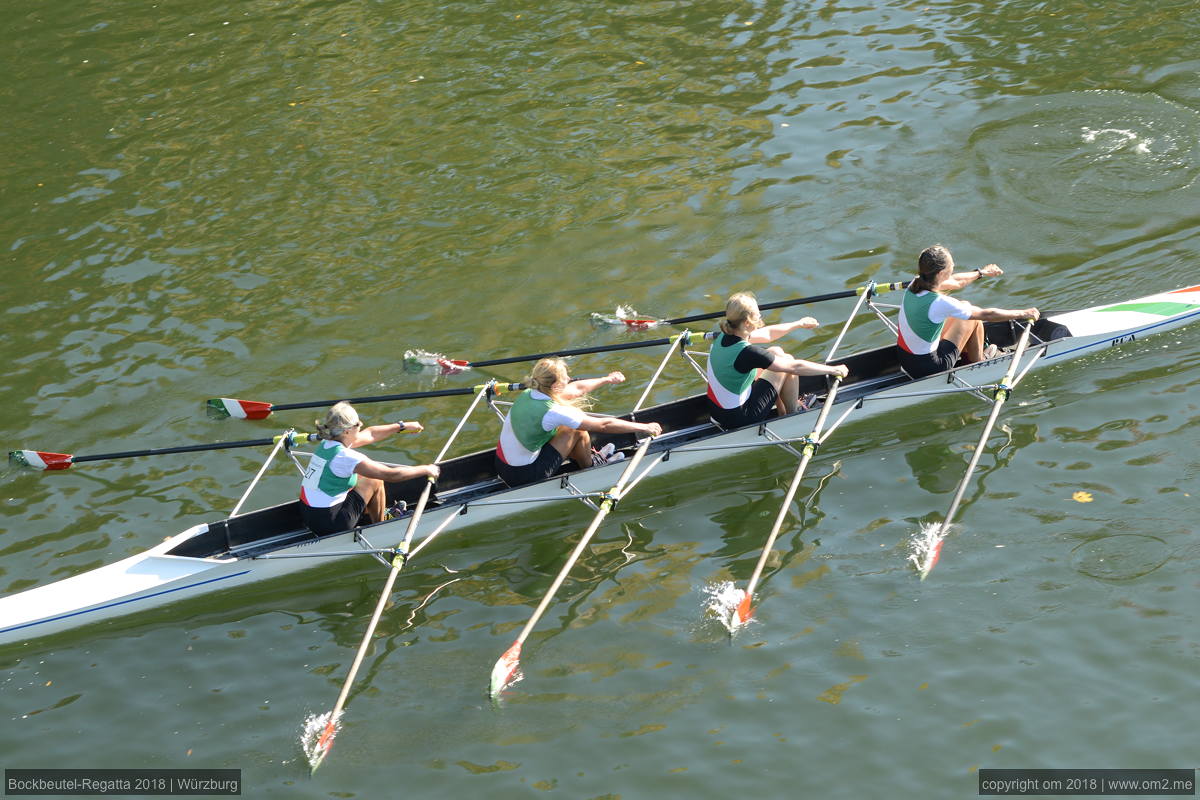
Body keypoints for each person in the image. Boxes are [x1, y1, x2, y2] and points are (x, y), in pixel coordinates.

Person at [495, 358, 662, 487]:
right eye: (564, 377)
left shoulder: (531, 392)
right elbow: (604, 425)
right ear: (554, 386)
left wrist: (607, 379)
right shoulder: (552, 411)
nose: (569, 378)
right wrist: (644, 427)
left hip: (501, 465)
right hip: (523, 476)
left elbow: (577, 389)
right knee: (576, 429)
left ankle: (583, 455)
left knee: (566, 425)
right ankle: (591, 467)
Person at [706, 292, 849, 429]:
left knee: (776, 351)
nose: (760, 317)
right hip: (740, 419)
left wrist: (798, 323)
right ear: (747, 323)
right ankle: (794, 413)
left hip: (717, 413)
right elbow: (795, 367)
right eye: (758, 315)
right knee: (786, 360)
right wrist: (834, 369)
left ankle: (783, 411)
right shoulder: (747, 352)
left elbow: (768, 334)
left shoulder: (723, 336)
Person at [897, 245, 1040, 379]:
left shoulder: (915, 284)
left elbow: (956, 281)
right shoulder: (939, 303)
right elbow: (987, 315)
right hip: (930, 367)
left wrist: (981, 273)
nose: (953, 266)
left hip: (905, 360)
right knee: (973, 317)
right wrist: (1024, 313)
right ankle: (978, 361)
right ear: (941, 273)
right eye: (951, 265)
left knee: (964, 306)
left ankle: (969, 350)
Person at [300, 401, 440, 535]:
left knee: (360, 476)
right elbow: (392, 475)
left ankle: (368, 513)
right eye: (358, 424)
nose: (361, 425)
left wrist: (402, 426)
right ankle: (380, 526)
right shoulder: (345, 457)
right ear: (347, 431)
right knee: (374, 480)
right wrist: (427, 469)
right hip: (330, 524)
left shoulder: (327, 442)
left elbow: (371, 434)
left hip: (308, 515)